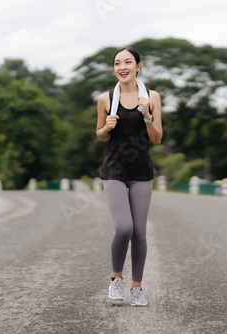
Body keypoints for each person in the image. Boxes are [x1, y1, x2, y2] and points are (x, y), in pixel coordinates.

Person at [96, 47, 162, 306]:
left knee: (140, 233)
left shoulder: (152, 97)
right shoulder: (105, 98)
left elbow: (157, 139)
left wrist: (147, 115)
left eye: (127, 62)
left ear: (138, 66)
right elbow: (100, 135)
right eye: (117, 63)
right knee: (124, 227)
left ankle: (137, 288)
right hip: (114, 171)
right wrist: (106, 127)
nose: (122, 66)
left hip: (141, 173)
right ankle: (116, 280)